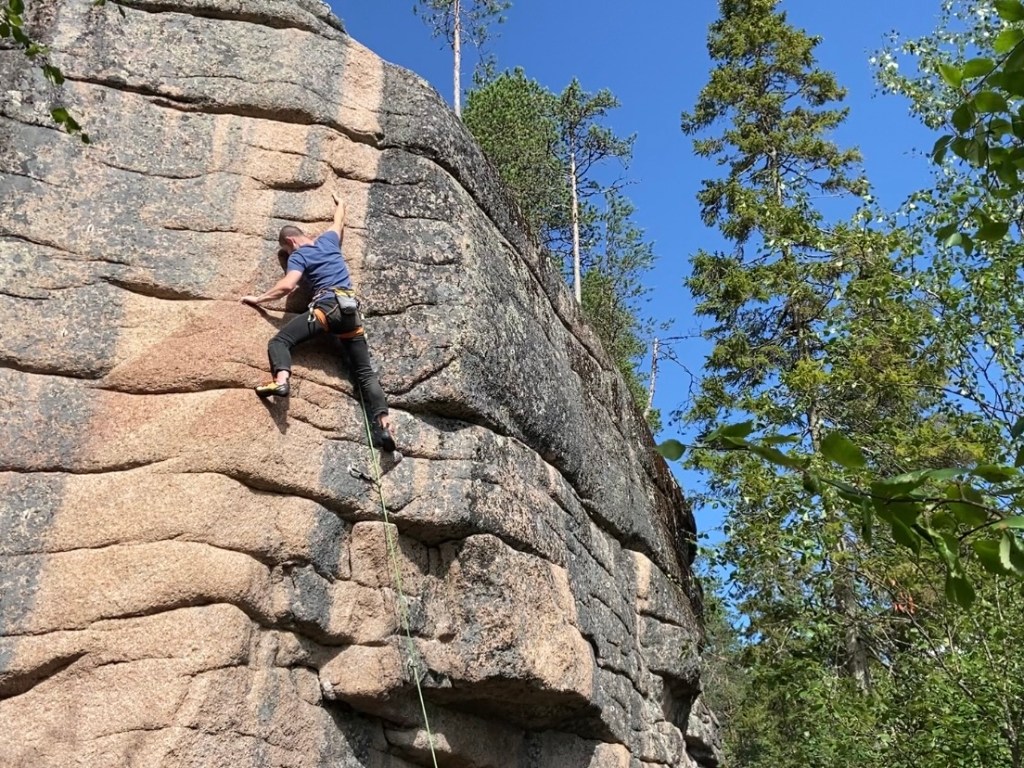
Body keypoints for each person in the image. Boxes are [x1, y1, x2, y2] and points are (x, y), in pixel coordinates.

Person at [241, 192, 396, 452]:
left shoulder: (299, 256)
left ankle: (281, 382)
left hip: (327, 309)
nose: (288, 253)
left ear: (290, 241)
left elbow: (288, 285)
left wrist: (259, 299)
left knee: (280, 341)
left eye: (287, 249)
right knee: (366, 374)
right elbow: (339, 223)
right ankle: (385, 425)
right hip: (350, 314)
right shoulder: (328, 241)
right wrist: (342, 204)